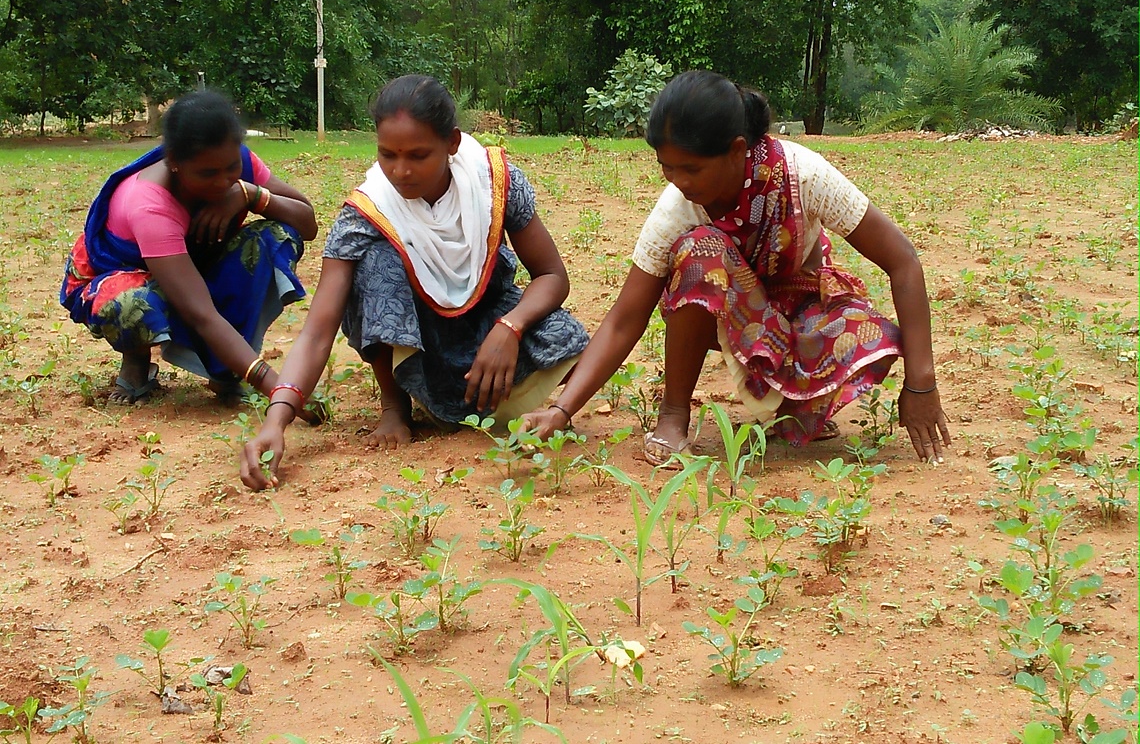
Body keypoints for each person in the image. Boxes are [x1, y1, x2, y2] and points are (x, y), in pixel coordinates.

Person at [524, 70, 951, 464]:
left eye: (691, 168)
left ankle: (792, 410)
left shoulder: (804, 175)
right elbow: (624, 319)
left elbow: (902, 260)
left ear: (737, 151)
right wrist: (562, 411)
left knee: (863, 330)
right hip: (727, 321)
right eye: (667, 168)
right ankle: (674, 415)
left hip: (796, 318)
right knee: (699, 252)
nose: (679, 182)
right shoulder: (678, 209)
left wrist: (922, 383)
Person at [239, 75, 589, 490]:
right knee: (377, 260)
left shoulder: (493, 182)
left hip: (486, 322)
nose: (400, 171)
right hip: (413, 340)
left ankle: (476, 393)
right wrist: (276, 420)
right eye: (387, 155)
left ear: (452, 144)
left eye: (418, 155)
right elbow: (318, 330)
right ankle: (395, 404)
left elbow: (552, 276)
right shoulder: (367, 210)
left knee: (568, 340)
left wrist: (510, 328)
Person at [61, 90, 318, 404]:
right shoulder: (150, 205)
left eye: (231, 168)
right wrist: (279, 390)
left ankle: (226, 369)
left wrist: (251, 194)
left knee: (276, 234)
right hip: (130, 280)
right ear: (173, 162)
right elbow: (200, 313)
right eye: (207, 173)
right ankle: (137, 358)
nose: (223, 182)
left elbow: (306, 223)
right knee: (133, 303)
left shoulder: (237, 164)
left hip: (196, 266)